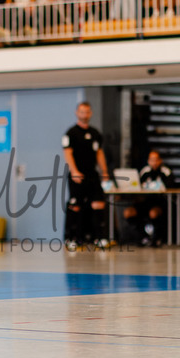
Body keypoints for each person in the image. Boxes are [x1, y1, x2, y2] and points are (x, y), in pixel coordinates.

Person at [63, 102, 111, 249]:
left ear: (91, 113)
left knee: (98, 203)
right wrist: (74, 171)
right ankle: (71, 238)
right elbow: (67, 153)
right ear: (77, 113)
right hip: (77, 174)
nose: (84, 114)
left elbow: (99, 153)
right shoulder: (71, 133)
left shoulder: (95, 133)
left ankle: (99, 238)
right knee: (75, 205)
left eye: (87, 112)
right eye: (82, 112)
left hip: (92, 174)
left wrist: (104, 171)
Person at [122, 150, 175, 246]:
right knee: (128, 212)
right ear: (148, 161)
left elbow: (170, 188)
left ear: (160, 160)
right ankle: (143, 236)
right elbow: (136, 186)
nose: (154, 162)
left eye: (156, 159)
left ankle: (156, 238)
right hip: (144, 202)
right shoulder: (144, 172)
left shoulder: (166, 172)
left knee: (153, 213)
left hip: (159, 203)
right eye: (151, 159)